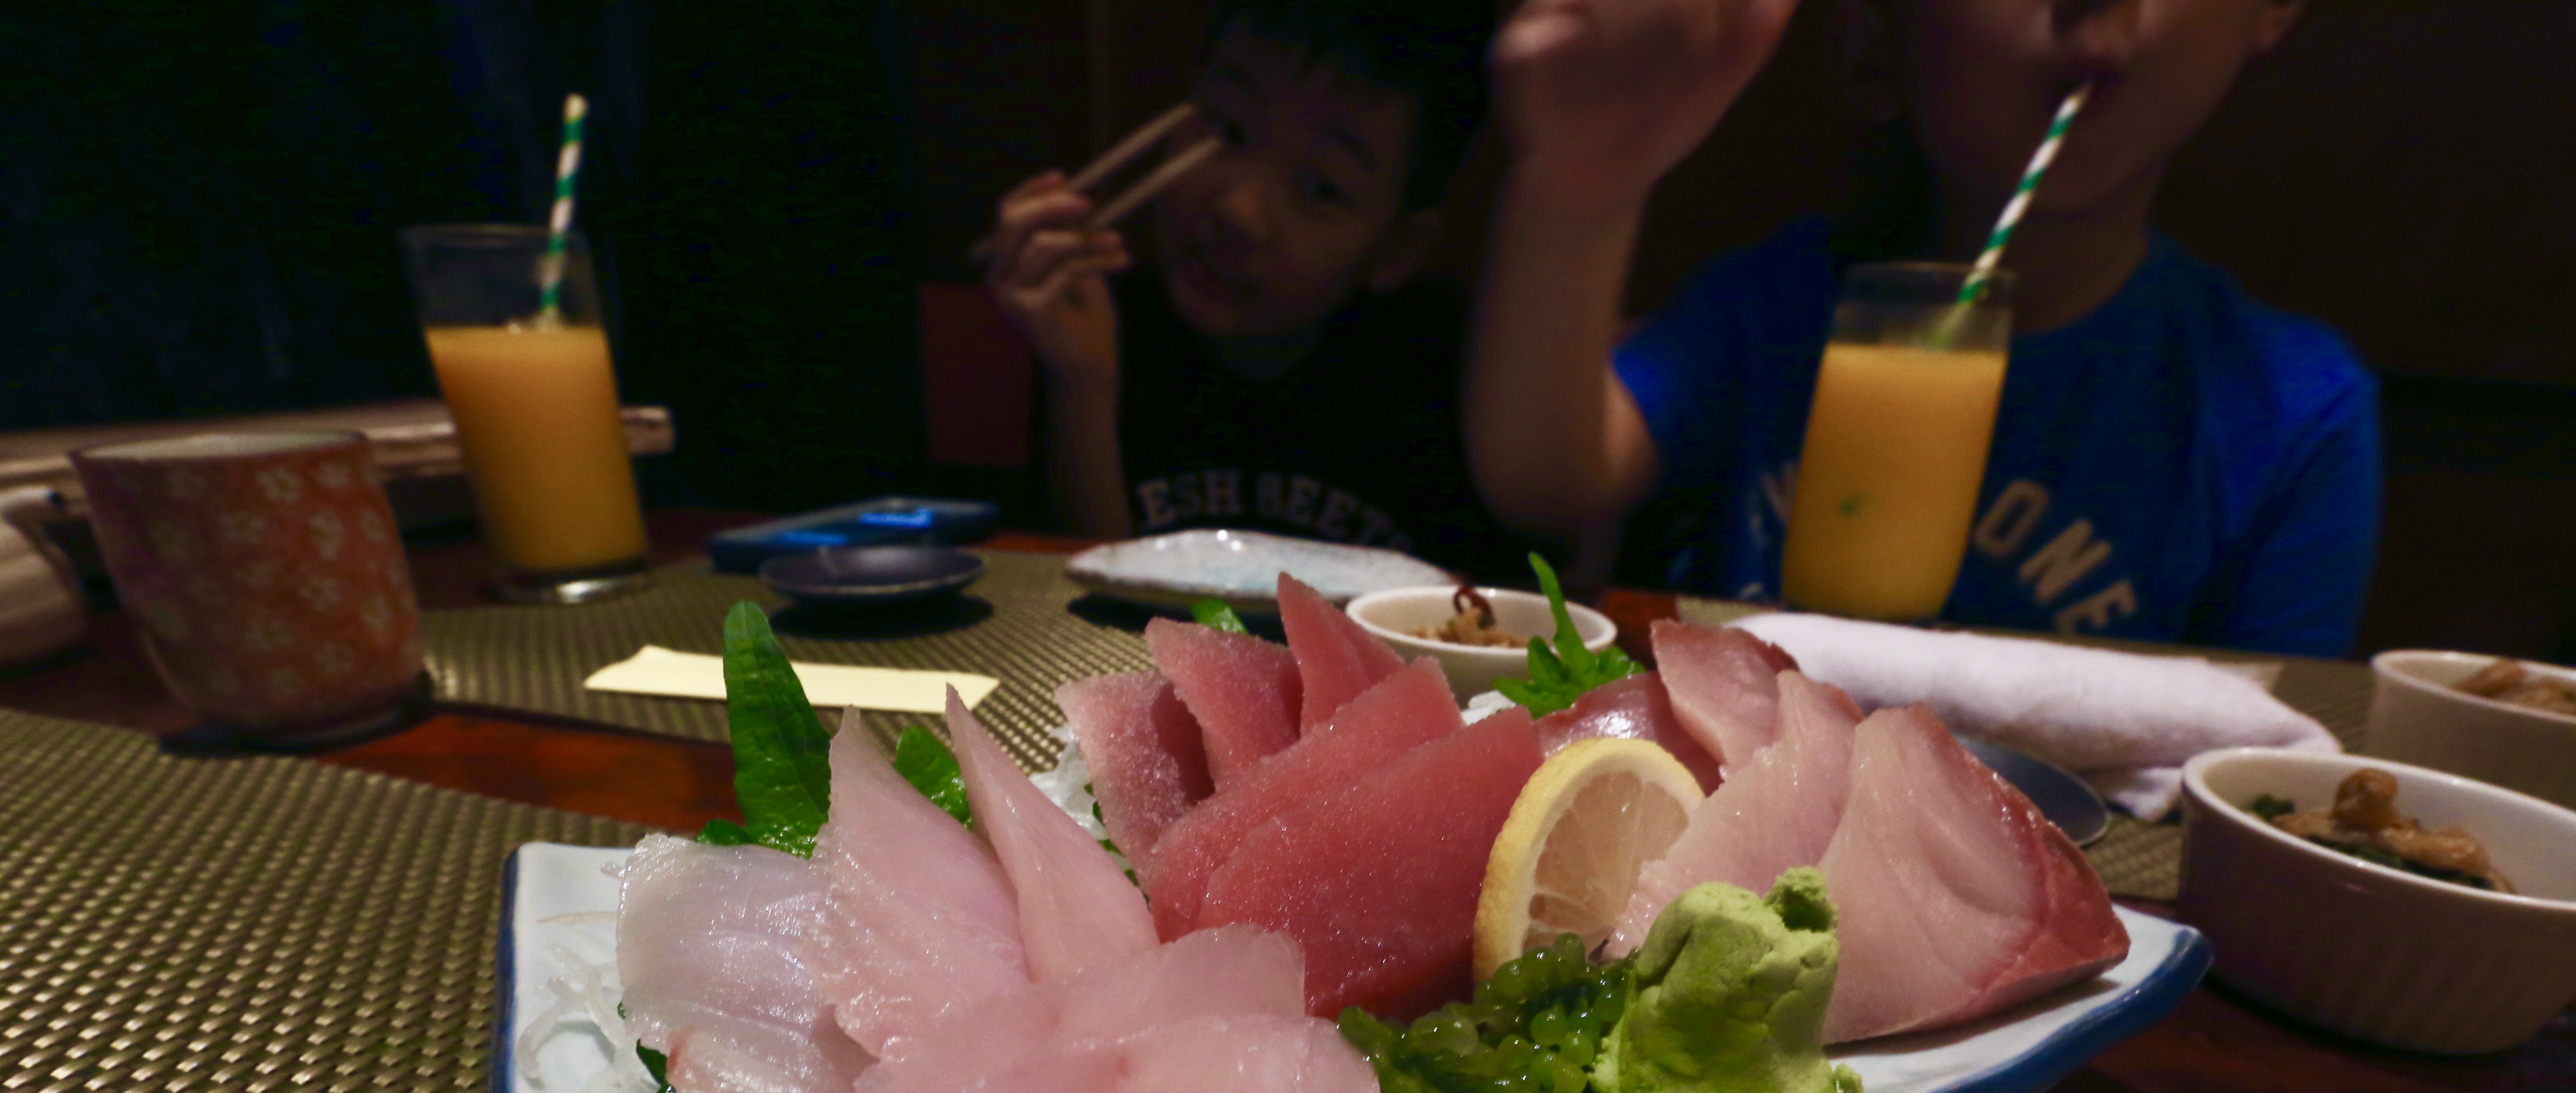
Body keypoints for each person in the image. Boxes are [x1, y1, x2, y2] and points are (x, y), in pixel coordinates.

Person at [1466, 0, 2383, 655]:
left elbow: (2262, 751)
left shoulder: (2294, 412)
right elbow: (1550, 477)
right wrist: (1584, 192)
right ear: (1874, 49)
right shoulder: (1778, 307)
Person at [980, 0, 1529, 580]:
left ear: (1398, 251)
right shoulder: (1105, 323)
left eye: (1321, 187)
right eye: (1230, 129)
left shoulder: (1448, 370)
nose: (1239, 211)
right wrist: (1083, 385)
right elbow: (1081, 603)